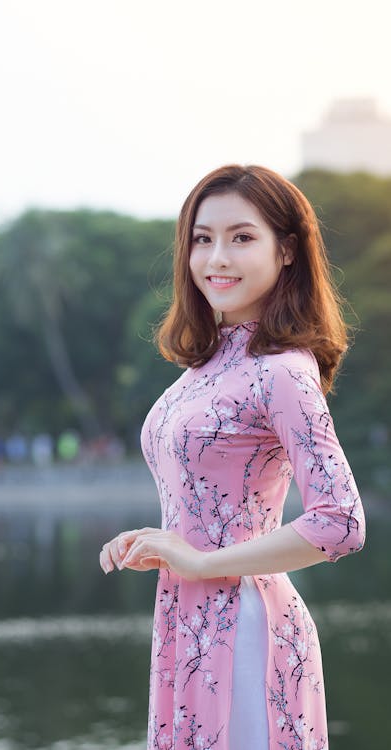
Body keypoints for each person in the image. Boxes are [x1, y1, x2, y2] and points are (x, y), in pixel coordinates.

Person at [99, 164, 366, 750]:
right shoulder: (207, 365)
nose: (216, 257)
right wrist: (163, 545)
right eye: (202, 238)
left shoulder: (283, 371)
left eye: (241, 238)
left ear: (287, 250)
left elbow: (341, 522)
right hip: (186, 619)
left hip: (246, 626)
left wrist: (201, 563)